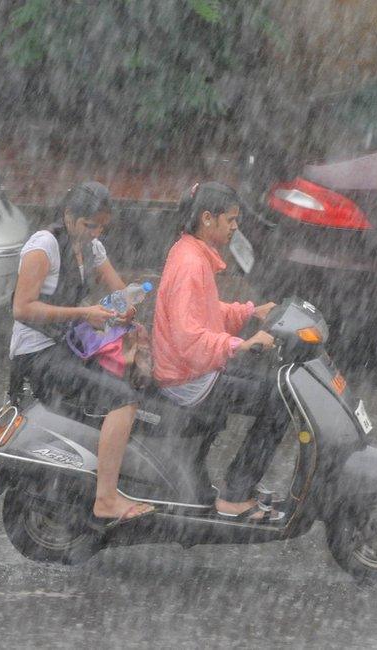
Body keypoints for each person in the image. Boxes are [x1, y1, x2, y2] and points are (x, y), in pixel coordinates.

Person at [9, 181, 153, 527]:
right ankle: (105, 498)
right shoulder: (44, 247)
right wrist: (83, 313)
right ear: (69, 216)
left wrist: (129, 311)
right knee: (123, 399)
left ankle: (114, 470)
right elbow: (22, 308)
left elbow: (121, 292)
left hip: (67, 345)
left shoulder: (92, 250)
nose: (96, 232)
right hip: (37, 355)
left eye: (102, 226)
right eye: (90, 225)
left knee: (134, 378)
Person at [151, 181, 289, 522]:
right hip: (186, 378)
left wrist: (249, 312)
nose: (235, 226)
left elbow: (207, 312)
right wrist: (240, 345)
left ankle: (236, 488)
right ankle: (235, 496)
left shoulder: (191, 253)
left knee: (274, 386)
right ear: (207, 219)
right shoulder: (190, 264)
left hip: (194, 368)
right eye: (231, 219)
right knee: (278, 401)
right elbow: (188, 336)